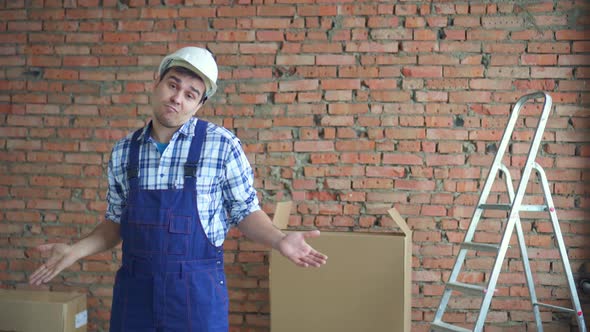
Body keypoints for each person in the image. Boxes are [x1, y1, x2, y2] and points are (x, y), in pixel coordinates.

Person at [29, 46, 327, 332]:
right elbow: (115, 223)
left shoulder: (221, 146)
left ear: (199, 104)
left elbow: (245, 211)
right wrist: (74, 251)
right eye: (173, 85)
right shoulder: (124, 152)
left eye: (190, 94)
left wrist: (279, 240)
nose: (177, 98)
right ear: (156, 83)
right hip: (135, 298)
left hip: (196, 298)